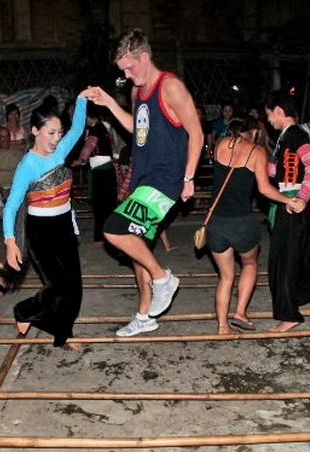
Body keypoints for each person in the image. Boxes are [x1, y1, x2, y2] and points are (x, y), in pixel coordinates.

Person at [86, 28, 204, 337]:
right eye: (122, 70)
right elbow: (137, 130)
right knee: (138, 246)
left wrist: (189, 176)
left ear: (145, 57)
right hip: (143, 178)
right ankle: (144, 316)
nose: (126, 74)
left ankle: (163, 279)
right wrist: (111, 103)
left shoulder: (171, 87)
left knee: (113, 229)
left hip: (166, 180)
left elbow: (197, 132)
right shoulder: (138, 91)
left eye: (130, 67)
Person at [2, 89, 94, 349]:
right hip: (40, 230)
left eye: (58, 133)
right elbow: (11, 206)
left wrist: (82, 99)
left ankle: (63, 333)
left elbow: (77, 129)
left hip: (64, 225)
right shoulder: (27, 165)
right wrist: (10, 242)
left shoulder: (60, 150)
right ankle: (24, 310)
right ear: (34, 131)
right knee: (58, 286)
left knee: (74, 289)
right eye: (50, 133)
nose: (56, 139)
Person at [207, 116, 300, 334]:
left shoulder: (220, 144)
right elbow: (265, 190)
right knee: (249, 264)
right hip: (241, 222)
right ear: (255, 132)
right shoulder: (257, 152)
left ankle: (222, 326)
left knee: (226, 277)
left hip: (215, 222)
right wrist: (288, 200)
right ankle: (240, 312)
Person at [263, 91, 310, 332]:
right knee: (297, 258)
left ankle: (289, 314)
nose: (269, 120)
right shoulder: (287, 136)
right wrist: (258, 164)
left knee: (283, 263)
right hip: (291, 205)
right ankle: (306, 292)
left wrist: (302, 197)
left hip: (292, 206)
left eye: (269, 115)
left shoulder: (295, 134)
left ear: (279, 111)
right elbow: (281, 171)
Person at [73, 104, 118, 248]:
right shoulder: (105, 127)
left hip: (101, 173)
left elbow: (89, 147)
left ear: (88, 117)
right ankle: (112, 236)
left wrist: (80, 160)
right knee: (109, 205)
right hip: (108, 170)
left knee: (100, 206)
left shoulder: (95, 129)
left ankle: (100, 238)